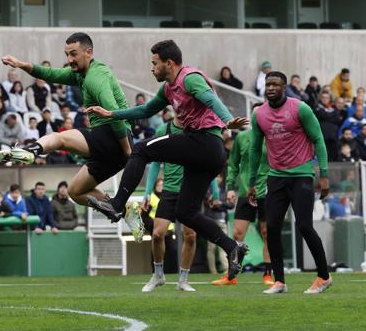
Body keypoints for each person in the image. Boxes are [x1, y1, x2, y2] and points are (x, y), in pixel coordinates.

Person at [85, 39, 249, 280]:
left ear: (169, 63)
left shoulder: (189, 78)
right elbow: (145, 111)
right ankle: (231, 248)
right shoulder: (168, 88)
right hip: (208, 155)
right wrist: (112, 113)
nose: (151, 68)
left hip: (204, 143)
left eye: (154, 63)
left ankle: (118, 204)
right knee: (185, 212)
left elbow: (212, 101)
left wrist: (227, 121)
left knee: (140, 150)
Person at [0, 33, 136, 234]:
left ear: (89, 52)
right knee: (75, 192)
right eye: (67, 55)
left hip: (114, 135)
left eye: (73, 54)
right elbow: (49, 74)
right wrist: (20, 64)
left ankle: (31, 150)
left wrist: (128, 151)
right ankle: (121, 209)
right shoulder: (80, 74)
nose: (69, 60)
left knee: (60, 138)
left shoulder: (96, 77)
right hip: (114, 149)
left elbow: (113, 112)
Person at [248, 71, 331, 294]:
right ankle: (280, 281)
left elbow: (319, 140)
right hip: (275, 177)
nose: (271, 87)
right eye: (268, 84)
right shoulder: (259, 114)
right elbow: (255, 150)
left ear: (285, 87)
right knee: (272, 227)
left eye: (276, 84)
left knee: (304, 225)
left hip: (302, 175)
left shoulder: (300, 108)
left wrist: (323, 174)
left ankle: (323, 276)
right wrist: (252, 182)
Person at [139, 116, 201, 293]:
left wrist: (214, 190)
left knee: (190, 235)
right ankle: (158, 275)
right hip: (169, 190)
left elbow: (205, 161)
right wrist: (147, 192)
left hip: (190, 191)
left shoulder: (197, 130)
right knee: (158, 234)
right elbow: (155, 164)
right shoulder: (163, 131)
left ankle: (183, 279)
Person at [213, 105, 272, 287]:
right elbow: (233, 164)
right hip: (245, 193)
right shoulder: (242, 138)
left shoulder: (271, 138)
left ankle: (268, 274)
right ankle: (231, 275)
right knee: (238, 233)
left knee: (267, 233)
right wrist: (230, 187)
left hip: (266, 192)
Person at [314, 91, 342, 162]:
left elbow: (337, 119)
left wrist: (327, 116)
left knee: (333, 159)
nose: (325, 99)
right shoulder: (317, 107)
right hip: (323, 138)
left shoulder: (334, 109)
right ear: (320, 98)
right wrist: (332, 115)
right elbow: (321, 115)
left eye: (327, 98)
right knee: (324, 159)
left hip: (333, 138)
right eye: (323, 97)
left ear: (330, 99)